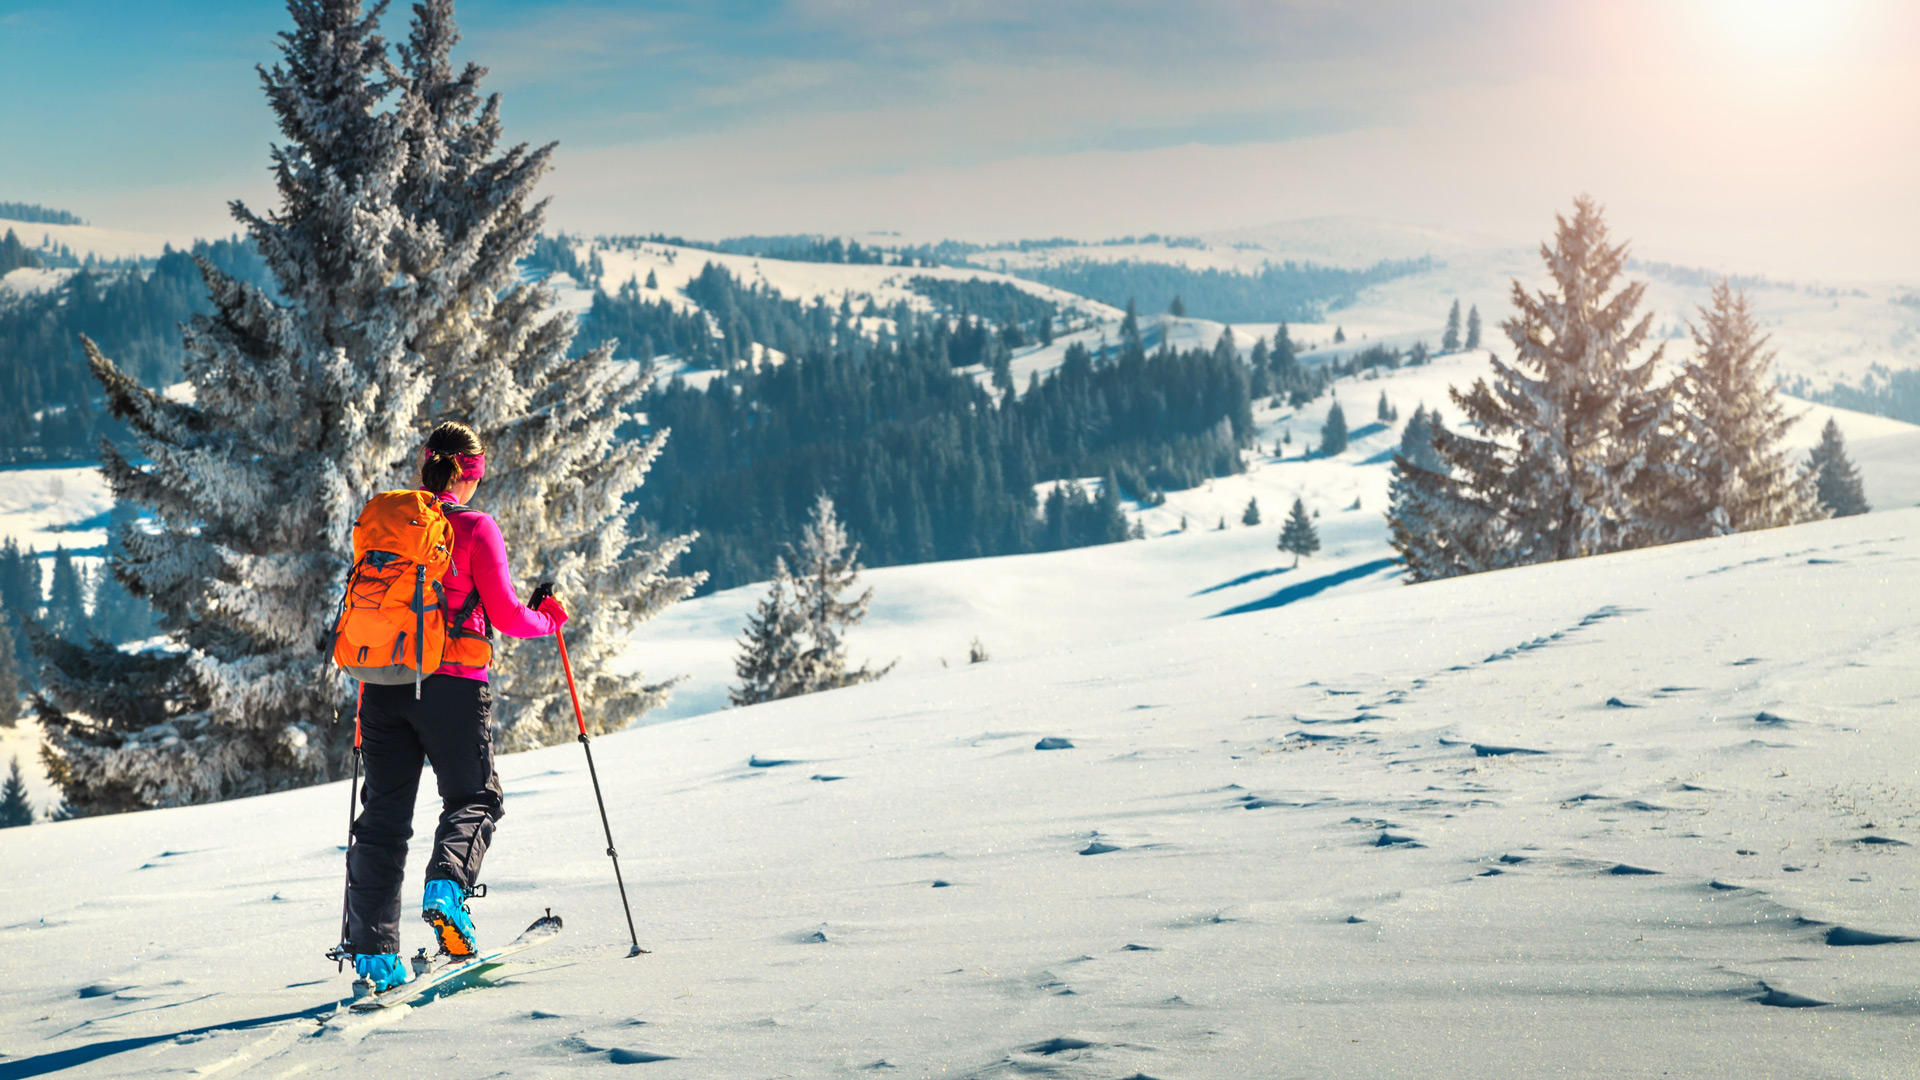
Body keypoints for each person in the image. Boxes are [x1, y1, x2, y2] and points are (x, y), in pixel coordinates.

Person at [347, 421, 567, 992]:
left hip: (381, 684)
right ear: (470, 472)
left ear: (426, 465)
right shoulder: (473, 527)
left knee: (381, 822)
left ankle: (374, 955)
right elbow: (508, 615)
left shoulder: (391, 526)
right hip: (452, 685)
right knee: (474, 797)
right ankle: (446, 889)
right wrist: (550, 619)